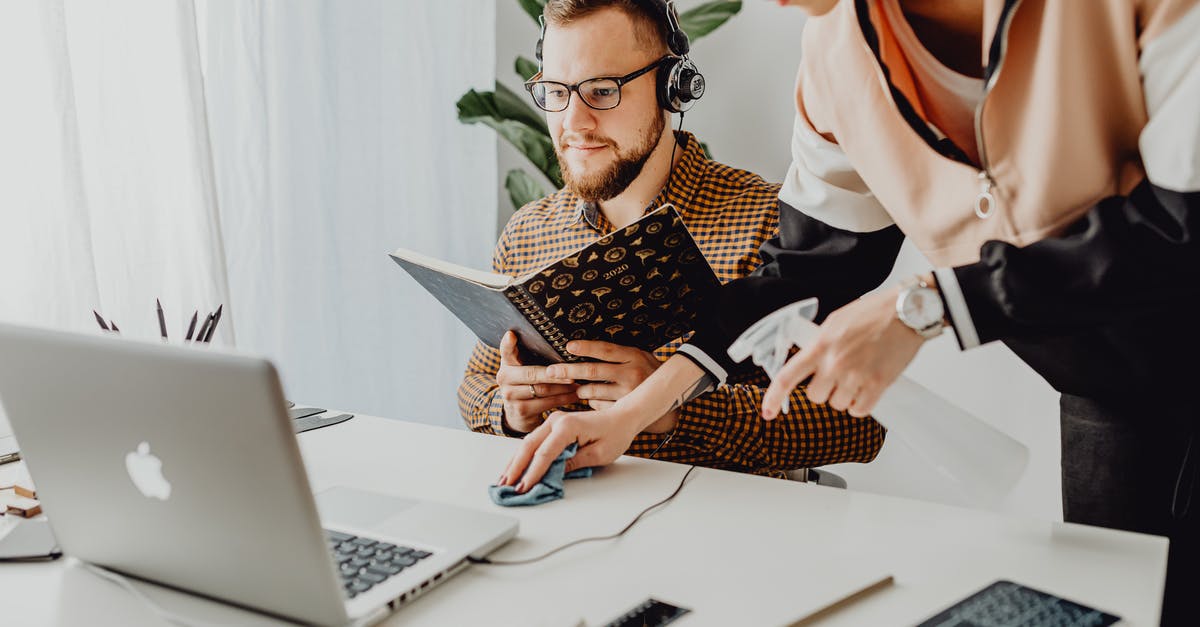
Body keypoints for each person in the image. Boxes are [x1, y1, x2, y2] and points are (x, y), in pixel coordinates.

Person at [498, 0, 1200, 622]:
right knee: (1127, 605)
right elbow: (802, 270)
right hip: (1109, 395)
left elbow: (1182, 229)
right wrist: (628, 415)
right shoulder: (835, 53)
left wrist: (923, 307)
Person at [460, 0, 886, 481]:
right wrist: (512, 409)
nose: (573, 122)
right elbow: (474, 386)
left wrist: (667, 409)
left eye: (602, 91)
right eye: (556, 91)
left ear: (673, 87)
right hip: (573, 528)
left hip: (726, 540)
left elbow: (854, 426)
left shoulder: (777, 226)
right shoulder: (529, 232)